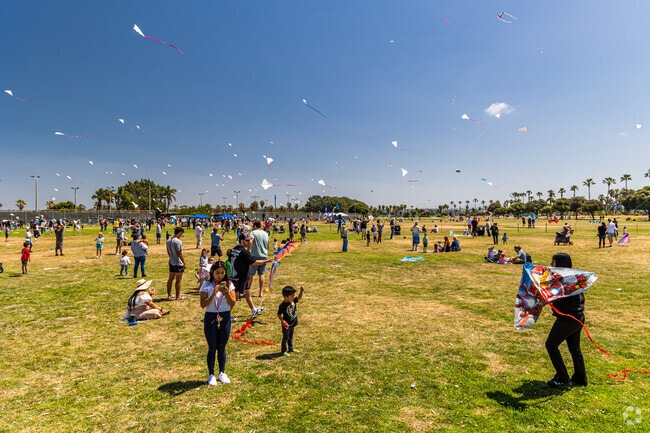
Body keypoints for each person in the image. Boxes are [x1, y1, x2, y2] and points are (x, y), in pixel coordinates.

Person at [545, 253, 587, 387]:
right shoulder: (571, 278)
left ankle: (562, 376)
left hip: (568, 319)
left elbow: (560, 297)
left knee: (551, 345)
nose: (551, 265)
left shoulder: (565, 281)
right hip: (577, 317)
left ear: (560, 264)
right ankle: (580, 378)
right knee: (574, 348)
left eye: (553, 262)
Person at [200, 261, 236, 386]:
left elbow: (233, 303)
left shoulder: (229, 285)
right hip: (211, 316)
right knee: (212, 347)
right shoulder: (207, 285)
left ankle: (222, 372)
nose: (220, 275)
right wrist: (213, 294)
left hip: (225, 316)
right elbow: (203, 304)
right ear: (212, 273)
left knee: (222, 346)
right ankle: (211, 374)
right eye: (217, 273)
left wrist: (226, 294)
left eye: (222, 272)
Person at [228, 233, 273, 317]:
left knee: (248, 293)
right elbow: (255, 262)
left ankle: (253, 310)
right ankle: (226, 315)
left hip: (237, 276)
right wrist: (267, 261)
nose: (249, 242)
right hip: (240, 278)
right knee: (234, 299)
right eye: (247, 240)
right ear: (241, 241)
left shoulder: (233, 249)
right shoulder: (244, 252)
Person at [277, 285, 305, 356]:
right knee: (285, 337)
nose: (293, 297)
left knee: (291, 336)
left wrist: (301, 291)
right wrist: (283, 321)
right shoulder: (282, 305)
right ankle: (283, 351)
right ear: (286, 297)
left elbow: (299, 297)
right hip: (286, 324)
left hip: (293, 322)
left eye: (293, 296)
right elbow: (279, 314)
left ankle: (291, 348)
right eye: (291, 296)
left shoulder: (292, 301)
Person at [248, 221, 270, 297]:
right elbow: (268, 245)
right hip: (264, 256)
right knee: (261, 274)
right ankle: (261, 292)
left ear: (255, 226)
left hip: (254, 256)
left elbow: (250, 241)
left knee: (251, 274)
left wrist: (248, 251)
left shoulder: (253, 233)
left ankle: (248, 290)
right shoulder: (266, 233)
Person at [166, 227, 186, 300]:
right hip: (178, 263)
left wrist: (171, 257)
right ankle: (178, 296)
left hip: (171, 261)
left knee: (170, 279)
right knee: (178, 280)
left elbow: (168, 251)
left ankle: (169, 295)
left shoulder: (168, 241)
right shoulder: (178, 241)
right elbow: (180, 253)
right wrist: (184, 263)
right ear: (180, 232)